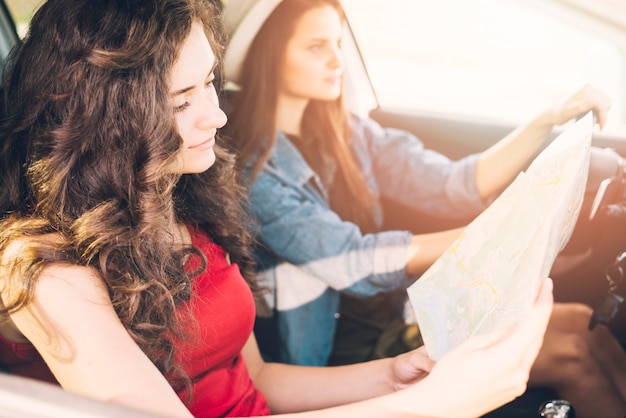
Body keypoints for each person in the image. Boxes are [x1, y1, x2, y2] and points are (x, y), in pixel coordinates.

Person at [0, 0, 560, 417]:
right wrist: (438, 403)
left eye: (210, 84)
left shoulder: (187, 203)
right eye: (182, 100)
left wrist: (392, 377)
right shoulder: (42, 267)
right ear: (103, 115)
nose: (217, 117)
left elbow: (257, 380)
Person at [221, 0, 626, 416]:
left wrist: (549, 119)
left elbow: (454, 184)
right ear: (267, 57)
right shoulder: (253, 170)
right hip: (346, 352)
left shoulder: (349, 133)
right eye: (316, 47)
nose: (337, 60)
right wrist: (502, 228)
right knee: (574, 356)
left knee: (583, 322)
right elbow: (351, 259)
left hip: (403, 313)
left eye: (338, 43)